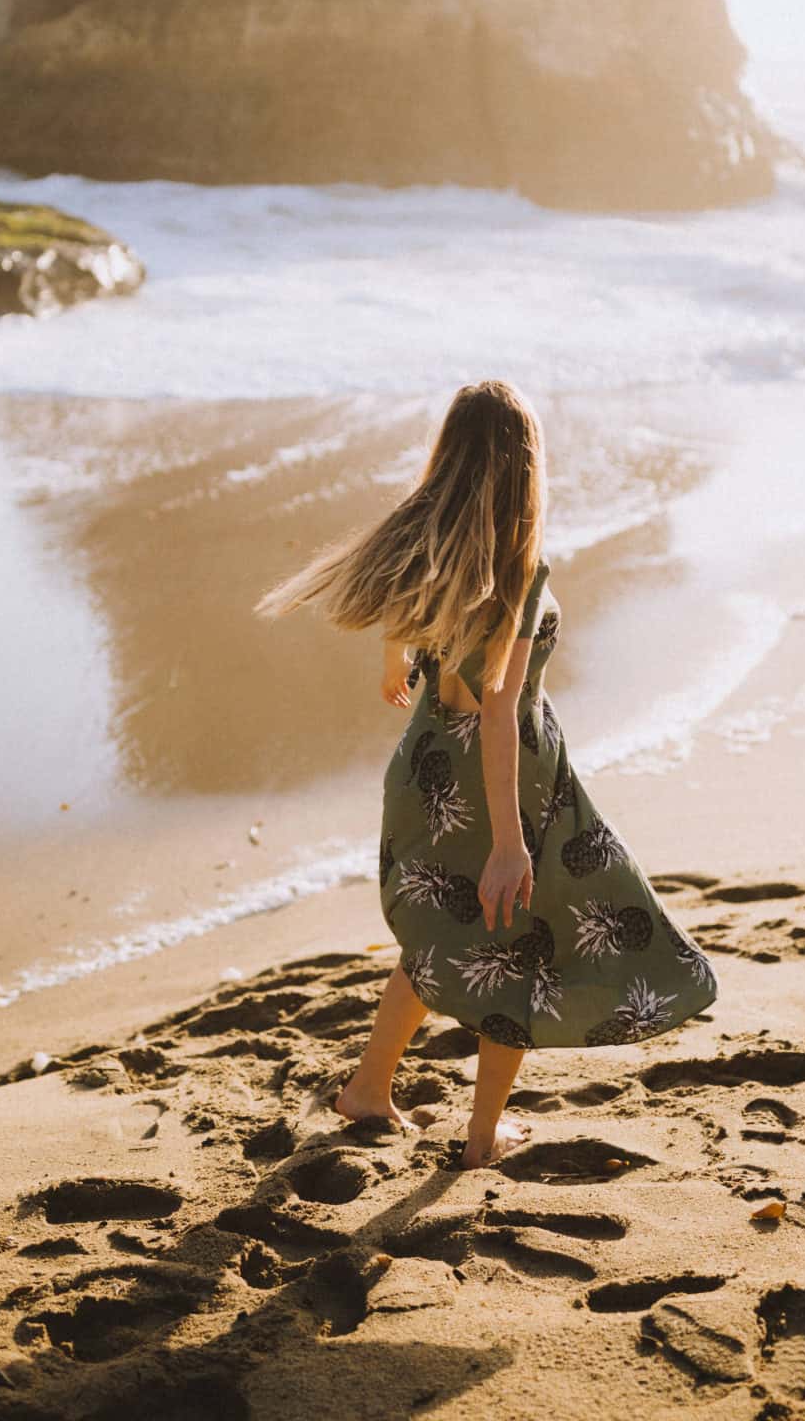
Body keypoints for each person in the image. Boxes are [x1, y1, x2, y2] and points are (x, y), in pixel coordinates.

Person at [254, 378, 718, 1169]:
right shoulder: (515, 572)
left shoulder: (429, 547)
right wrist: (509, 842)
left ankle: (368, 1090)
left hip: (427, 769)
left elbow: (403, 624)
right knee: (516, 942)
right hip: (506, 781)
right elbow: (501, 714)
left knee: (445, 934)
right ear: (526, 466)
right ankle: (480, 1136)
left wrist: (396, 665)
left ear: (450, 456)